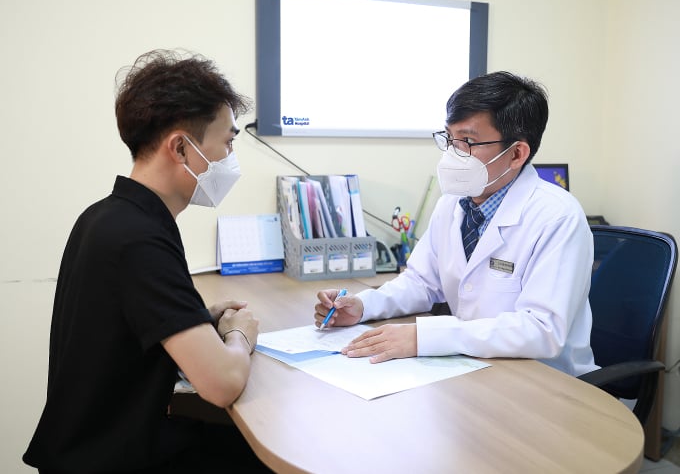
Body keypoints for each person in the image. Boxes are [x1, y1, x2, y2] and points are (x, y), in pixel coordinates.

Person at [24, 50, 272, 473]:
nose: (230, 156)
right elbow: (222, 384)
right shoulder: (140, 239)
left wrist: (197, 319)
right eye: (228, 141)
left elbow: (126, 324)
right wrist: (239, 336)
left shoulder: (108, 215)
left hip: (87, 446)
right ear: (181, 147)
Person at [314, 71, 597, 377]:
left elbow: (542, 329)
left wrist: (425, 336)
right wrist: (362, 306)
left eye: (468, 141)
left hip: (547, 382)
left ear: (517, 153)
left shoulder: (557, 217)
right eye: (450, 138)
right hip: (474, 369)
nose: (453, 152)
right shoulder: (453, 202)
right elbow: (421, 282)